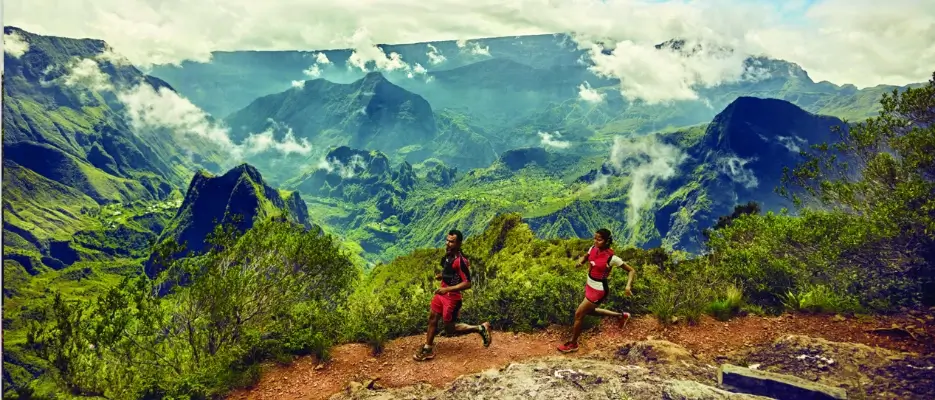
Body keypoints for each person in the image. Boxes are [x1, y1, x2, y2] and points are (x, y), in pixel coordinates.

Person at [413, 229, 492, 361]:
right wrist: (442, 276)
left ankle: (480, 328)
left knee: (450, 329)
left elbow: (467, 283)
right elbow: (451, 273)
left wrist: (448, 289)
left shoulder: (461, 261)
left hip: (452, 298)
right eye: (447, 240)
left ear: (459, 243)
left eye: (452, 241)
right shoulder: (448, 256)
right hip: (442, 293)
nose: (448, 243)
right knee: (432, 318)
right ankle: (428, 348)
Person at [558, 228, 636, 353]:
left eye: (599, 239)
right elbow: (586, 256)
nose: (595, 241)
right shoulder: (593, 248)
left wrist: (628, 286)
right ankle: (622, 316)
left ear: (606, 241)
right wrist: (581, 262)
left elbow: (631, 270)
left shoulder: (612, 258)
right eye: (594, 238)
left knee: (579, 314)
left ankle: (573, 344)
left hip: (599, 289)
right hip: (589, 285)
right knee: (589, 311)